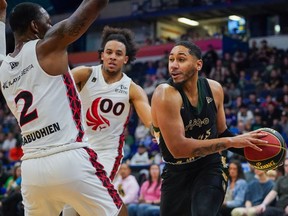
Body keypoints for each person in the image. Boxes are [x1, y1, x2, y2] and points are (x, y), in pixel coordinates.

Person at [0, 1, 128, 215]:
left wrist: (1, 13)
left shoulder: (3, 68)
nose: (51, 27)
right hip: (69, 156)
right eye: (47, 23)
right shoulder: (48, 45)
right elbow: (95, 5)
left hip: (31, 169)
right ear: (35, 26)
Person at [150, 40, 268, 216]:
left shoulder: (214, 88)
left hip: (209, 166)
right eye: (171, 60)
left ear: (198, 64)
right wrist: (231, 141)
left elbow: (222, 132)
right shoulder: (165, 93)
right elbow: (178, 149)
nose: (173, 65)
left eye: (181, 60)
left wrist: (258, 150)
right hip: (175, 172)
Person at [63, 25, 152, 216]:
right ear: (101, 55)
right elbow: (53, 91)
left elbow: (151, 121)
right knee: (71, 209)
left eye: (118, 53)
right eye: (109, 52)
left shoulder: (132, 88)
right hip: (77, 149)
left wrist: (159, 131)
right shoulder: (84, 74)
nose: (113, 56)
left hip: (107, 153)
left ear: (125, 59)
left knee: (98, 198)